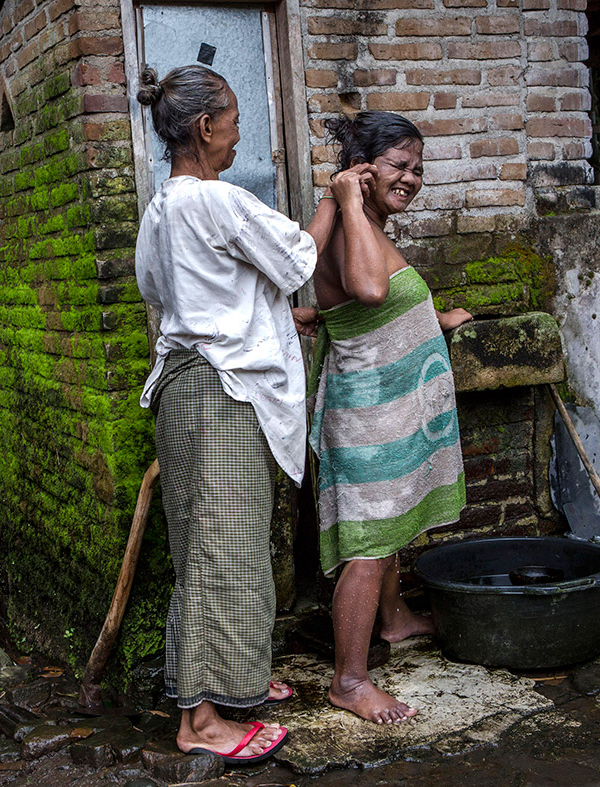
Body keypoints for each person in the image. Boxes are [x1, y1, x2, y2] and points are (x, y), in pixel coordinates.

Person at [134, 64, 338, 764]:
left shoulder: (162, 209)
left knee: (232, 545)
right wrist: (338, 197)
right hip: (217, 395)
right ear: (204, 127)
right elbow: (298, 256)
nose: (239, 134)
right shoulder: (214, 201)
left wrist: (279, 321)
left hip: (193, 390)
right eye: (235, 120)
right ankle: (199, 721)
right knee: (217, 552)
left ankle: (238, 683)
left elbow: (184, 299)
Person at [309, 111, 472, 724]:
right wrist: (347, 197)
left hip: (390, 410)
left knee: (392, 519)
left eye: (418, 169)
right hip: (366, 412)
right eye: (400, 166)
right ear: (363, 169)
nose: (412, 178)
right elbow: (372, 291)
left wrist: (435, 319)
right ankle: (349, 680)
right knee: (368, 539)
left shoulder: (370, 222)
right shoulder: (355, 220)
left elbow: (364, 308)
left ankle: (395, 618)